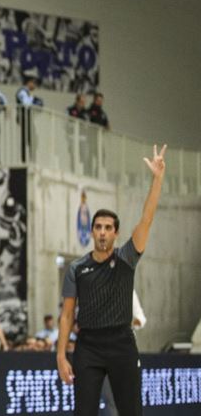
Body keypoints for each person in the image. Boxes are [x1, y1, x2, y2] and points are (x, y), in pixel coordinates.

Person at [56, 144, 166, 416]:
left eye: (108, 228)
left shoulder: (127, 257)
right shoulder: (77, 268)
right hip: (88, 346)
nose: (102, 232)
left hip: (121, 343)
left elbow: (147, 219)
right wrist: (60, 355)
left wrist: (158, 179)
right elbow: (67, 315)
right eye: (98, 227)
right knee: (84, 412)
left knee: (130, 411)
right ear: (92, 231)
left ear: (116, 233)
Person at [15, 76, 43, 163]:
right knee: (27, 140)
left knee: (31, 139)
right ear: (29, 82)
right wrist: (35, 100)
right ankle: (26, 161)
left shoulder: (27, 92)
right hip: (24, 117)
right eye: (35, 83)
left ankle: (30, 160)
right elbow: (26, 103)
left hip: (27, 118)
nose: (35, 86)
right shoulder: (22, 91)